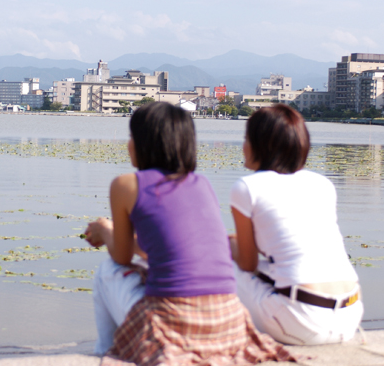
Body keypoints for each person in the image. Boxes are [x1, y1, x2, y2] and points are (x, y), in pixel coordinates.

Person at [85, 102, 294, 365]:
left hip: (174, 324)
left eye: (131, 137)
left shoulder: (125, 185)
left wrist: (104, 231)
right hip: (226, 321)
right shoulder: (202, 183)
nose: (129, 144)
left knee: (107, 271)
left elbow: (123, 257)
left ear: (144, 142)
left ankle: (105, 352)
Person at [230, 104, 363, 345]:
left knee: (220, 264)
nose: (243, 146)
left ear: (261, 144)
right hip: (350, 317)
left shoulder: (247, 188)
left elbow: (247, 264)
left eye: (246, 138)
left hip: (300, 321)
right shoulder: (322, 184)